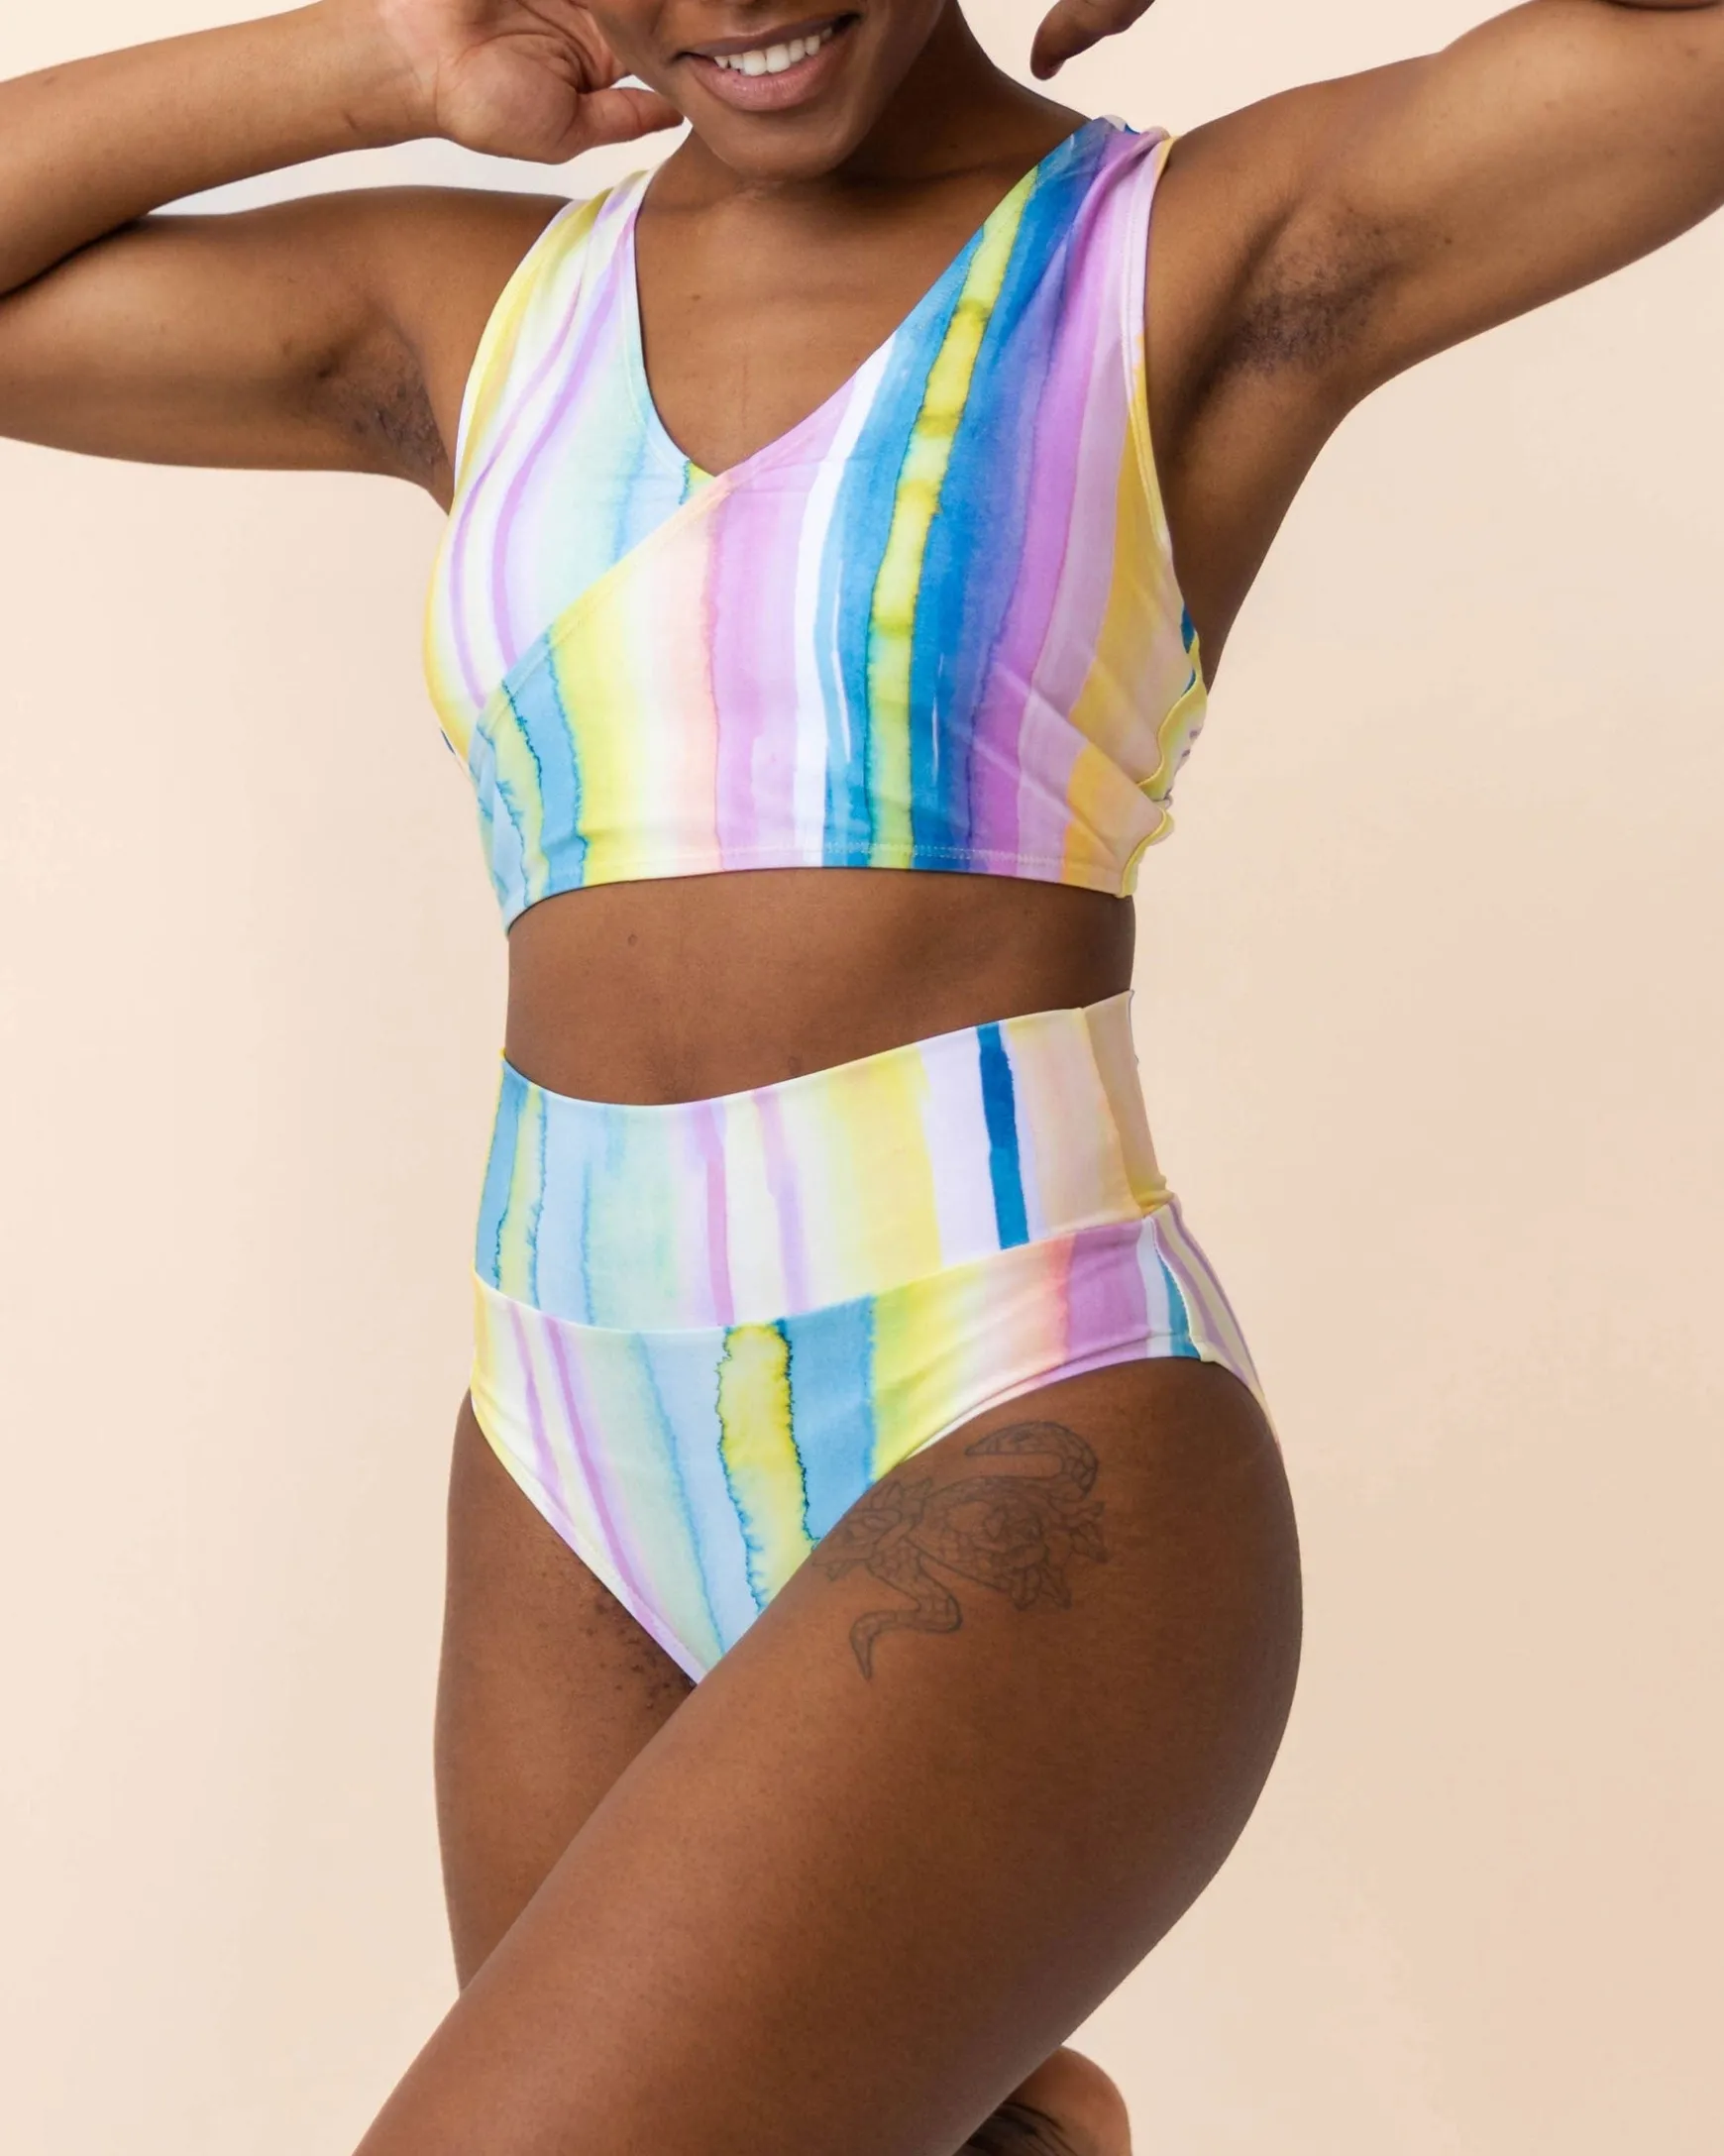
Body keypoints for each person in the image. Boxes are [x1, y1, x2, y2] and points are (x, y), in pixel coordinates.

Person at [3, 2, 1719, 2150]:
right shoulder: (479, 315)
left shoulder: (1184, 253)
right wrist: (394, 59)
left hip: (1012, 1380)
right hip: (563, 1436)